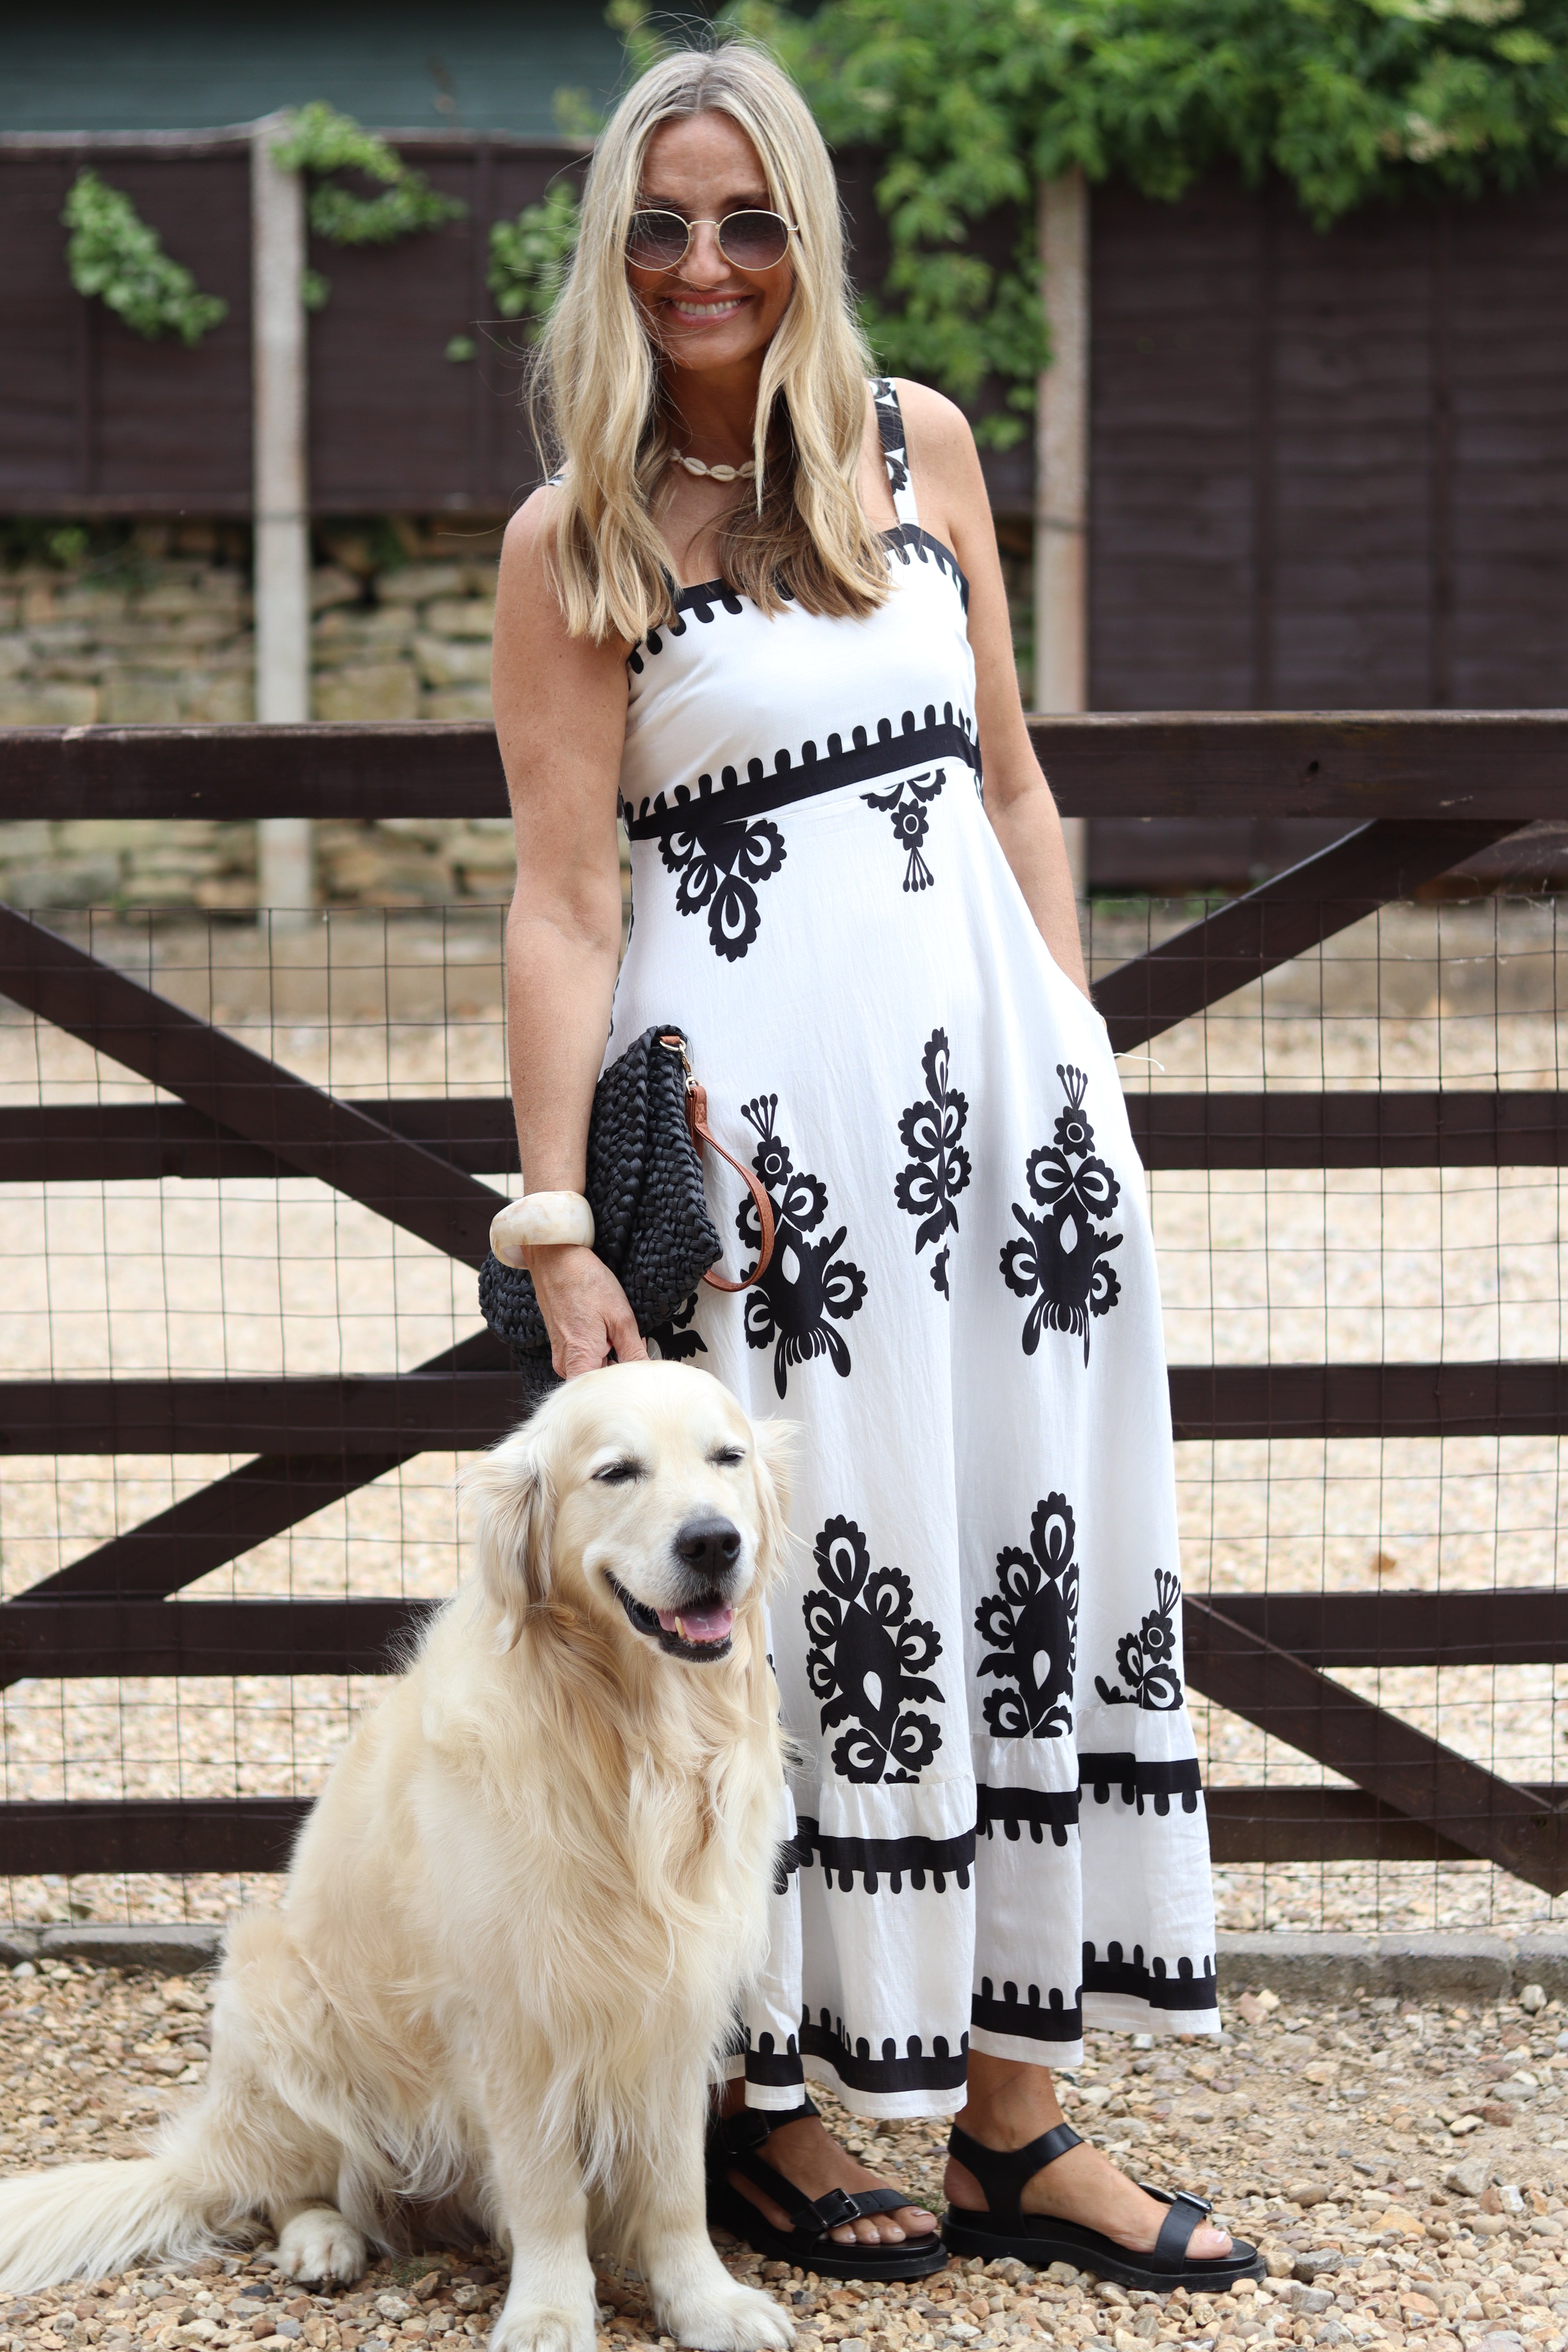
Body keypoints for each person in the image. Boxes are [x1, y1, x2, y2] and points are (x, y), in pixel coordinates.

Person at [490, 40, 1260, 2294]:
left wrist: (1080, 1048)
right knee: (800, 1614)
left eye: (744, 219)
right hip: (766, 1199)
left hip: (1011, 1153)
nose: (704, 263)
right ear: (611, 257)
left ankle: (1017, 2121)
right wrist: (558, 1234)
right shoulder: (580, 540)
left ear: (805, 235)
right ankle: (758, 2117)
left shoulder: (917, 452)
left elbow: (1011, 781)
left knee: (1044, 1551)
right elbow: (560, 902)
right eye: (661, 223)